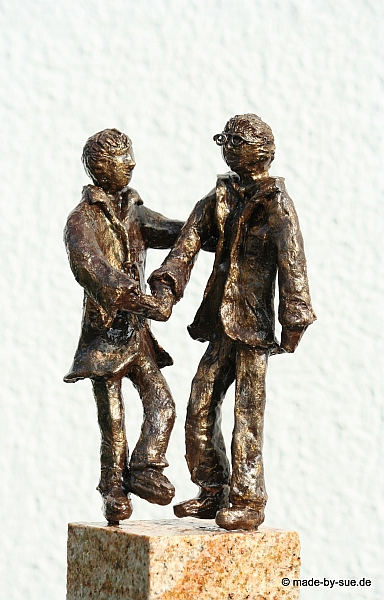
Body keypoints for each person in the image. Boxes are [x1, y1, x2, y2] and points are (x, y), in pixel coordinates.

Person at [149, 113, 316, 531]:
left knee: (247, 414)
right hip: (220, 326)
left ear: (261, 151)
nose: (227, 148)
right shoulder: (219, 196)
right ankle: (212, 488)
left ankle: (248, 500)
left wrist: (294, 317)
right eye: (224, 140)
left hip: (253, 328)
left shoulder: (276, 203)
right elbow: (187, 245)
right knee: (200, 405)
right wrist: (167, 286)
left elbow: (292, 263)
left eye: (235, 141)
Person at [63, 128, 182, 523]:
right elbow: (96, 272)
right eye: (122, 157)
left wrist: (204, 226)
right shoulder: (81, 220)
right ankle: (113, 488)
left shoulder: (133, 209)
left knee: (162, 404)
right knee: (112, 422)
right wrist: (147, 303)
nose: (131, 163)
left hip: (136, 336)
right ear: (101, 166)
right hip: (104, 338)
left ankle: (146, 467)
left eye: (130, 155)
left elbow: (171, 230)